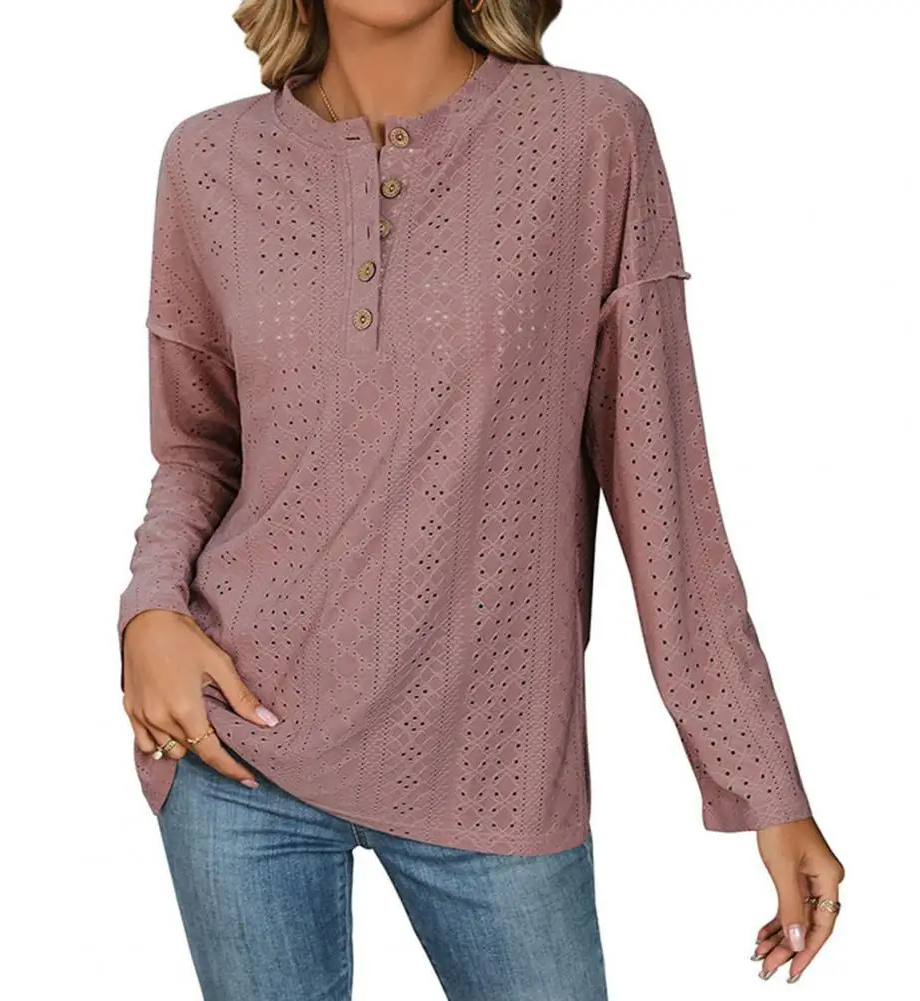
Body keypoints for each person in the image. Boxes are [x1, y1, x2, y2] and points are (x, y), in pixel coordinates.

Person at [117, 2, 845, 998]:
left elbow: (662, 490)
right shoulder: (209, 160)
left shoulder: (588, 134)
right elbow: (199, 447)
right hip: (236, 748)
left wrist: (762, 779)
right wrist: (149, 610)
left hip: (492, 762)